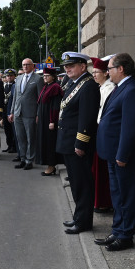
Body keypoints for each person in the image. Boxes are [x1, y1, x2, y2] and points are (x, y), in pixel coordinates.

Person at [95, 53, 135, 251]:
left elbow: (130, 127)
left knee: (126, 196)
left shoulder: (132, 89)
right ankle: (117, 230)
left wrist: (122, 155)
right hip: (113, 154)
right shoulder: (121, 87)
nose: (107, 72)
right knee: (117, 195)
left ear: (121, 69)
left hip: (123, 156)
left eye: (109, 68)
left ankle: (126, 235)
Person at [56, 52, 100, 235]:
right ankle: (78, 216)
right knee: (75, 183)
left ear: (83, 66)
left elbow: (87, 118)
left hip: (77, 144)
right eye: (66, 66)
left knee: (82, 184)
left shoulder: (88, 86)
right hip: (68, 141)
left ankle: (83, 222)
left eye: (71, 65)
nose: (67, 69)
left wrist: (81, 143)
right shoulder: (75, 83)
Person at [9, 58, 44, 170]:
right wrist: (12, 112)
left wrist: (38, 114)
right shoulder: (18, 78)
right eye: (23, 65)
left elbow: (40, 99)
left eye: (27, 64)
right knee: (20, 137)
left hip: (30, 113)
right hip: (18, 112)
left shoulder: (38, 79)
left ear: (33, 66)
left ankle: (29, 160)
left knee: (30, 138)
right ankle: (23, 158)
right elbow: (15, 96)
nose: (25, 67)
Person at [90, 56, 115, 213]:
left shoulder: (109, 88)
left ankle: (104, 202)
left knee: (102, 171)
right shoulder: (100, 87)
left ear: (106, 73)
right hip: (97, 130)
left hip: (103, 131)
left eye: (96, 72)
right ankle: (98, 200)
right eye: (92, 72)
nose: (94, 75)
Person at [35, 67, 63, 176]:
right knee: (44, 142)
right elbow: (40, 103)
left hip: (49, 119)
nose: (45, 78)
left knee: (50, 143)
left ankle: (51, 166)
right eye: (44, 76)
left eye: (47, 76)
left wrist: (52, 121)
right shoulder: (46, 86)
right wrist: (38, 115)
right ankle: (48, 164)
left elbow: (55, 106)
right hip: (43, 118)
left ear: (53, 77)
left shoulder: (55, 87)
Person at [2, 69, 17, 153]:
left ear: (14, 76)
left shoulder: (16, 85)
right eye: (8, 76)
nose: (9, 77)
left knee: (13, 130)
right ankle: (9, 145)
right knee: (7, 130)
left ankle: (14, 146)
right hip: (5, 110)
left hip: (12, 111)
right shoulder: (4, 86)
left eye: (11, 76)